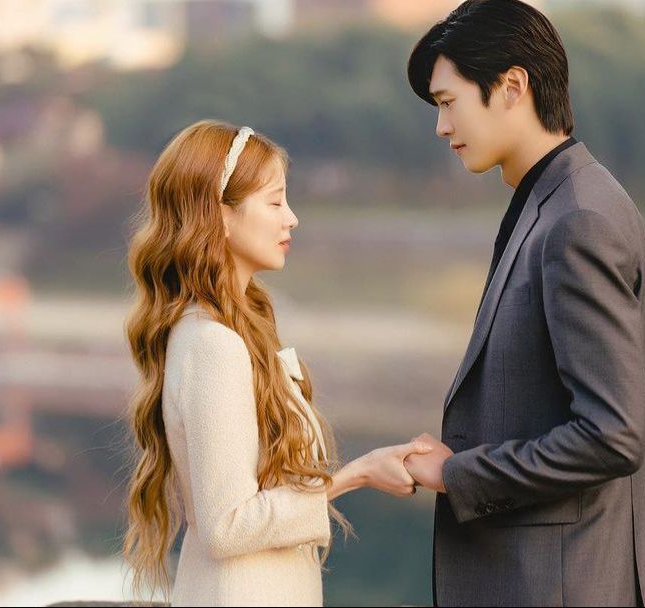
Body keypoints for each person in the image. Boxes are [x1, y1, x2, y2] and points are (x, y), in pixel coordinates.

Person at [400, 1, 645, 605]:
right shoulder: (558, 202)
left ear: (512, 86)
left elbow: (612, 435)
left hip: (566, 584)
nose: (442, 127)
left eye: (448, 102)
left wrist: (456, 473)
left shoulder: (578, 220)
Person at [122, 120, 431, 606]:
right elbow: (228, 525)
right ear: (220, 215)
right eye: (275, 202)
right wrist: (358, 474)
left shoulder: (227, 331)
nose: (292, 218)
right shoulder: (213, 344)